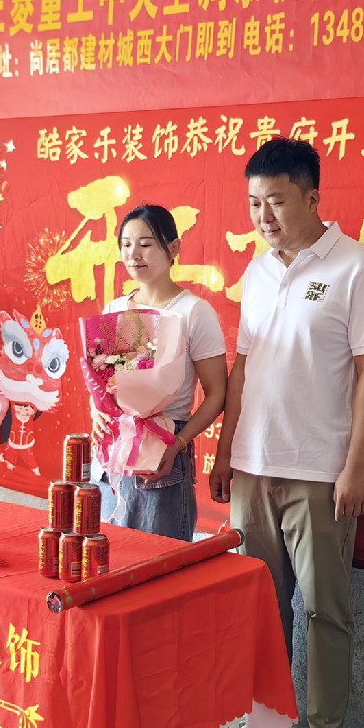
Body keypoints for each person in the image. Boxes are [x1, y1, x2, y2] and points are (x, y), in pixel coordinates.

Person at [209, 138, 364, 728]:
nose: (264, 216)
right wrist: (225, 450)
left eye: (277, 201)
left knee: (322, 609)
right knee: (257, 605)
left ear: (312, 197)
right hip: (253, 466)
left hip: (319, 469)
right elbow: (242, 368)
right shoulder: (257, 271)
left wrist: (355, 466)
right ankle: (268, 724)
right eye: (254, 203)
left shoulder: (356, 269)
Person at [91, 204, 227, 541]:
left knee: (159, 561)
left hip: (164, 451)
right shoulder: (115, 309)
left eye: (146, 244)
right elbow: (101, 380)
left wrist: (178, 443)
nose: (133, 254)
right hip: (114, 452)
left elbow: (217, 394)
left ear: (173, 248)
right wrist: (97, 411)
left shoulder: (194, 312)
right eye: (126, 244)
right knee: (105, 557)